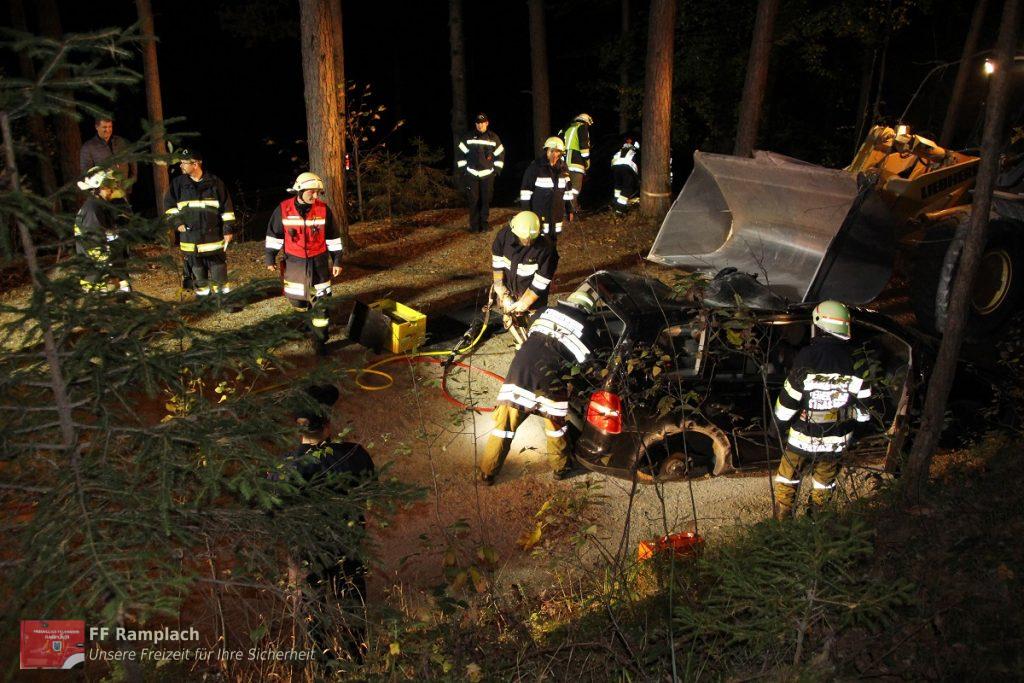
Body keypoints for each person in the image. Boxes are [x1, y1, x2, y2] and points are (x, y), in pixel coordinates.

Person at [277, 385, 375, 660]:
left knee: (310, 607)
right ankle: (357, 658)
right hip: (347, 543)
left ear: (299, 428)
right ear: (328, 423)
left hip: (306, 550)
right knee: (351, 600)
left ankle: (321, 663)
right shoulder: (354, 455)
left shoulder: (285, 468)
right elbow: (369, 494)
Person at [479, 282, 603, 484]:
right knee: (556, 427)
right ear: (587, 311)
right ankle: (560, 469)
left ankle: (488, 473)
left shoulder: (545, 312)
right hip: (551, 381)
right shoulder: (588, 330)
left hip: (521, 372)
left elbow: (533, 333)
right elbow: (587, 365)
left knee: (504, 426)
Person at [771, 300, 872, 519]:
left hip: (801, 437)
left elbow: (789, 399)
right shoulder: (856, 359)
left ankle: (782, 520)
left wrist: (777, 427)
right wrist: (859, 431)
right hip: (837, 438)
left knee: (788, 476)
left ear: (819, 325)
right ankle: (817, 520)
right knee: (824, 482)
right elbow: (864, 407)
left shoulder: (807, 356)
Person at [265, 172, 343, 354]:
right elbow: (274, 235)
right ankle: (303, 331)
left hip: (319, 263)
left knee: (322, 304)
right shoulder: (283, 209)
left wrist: (337, 260)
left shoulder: (324, 210)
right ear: (299, 191)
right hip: (295, 264)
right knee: (297, 302)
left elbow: (333, 238)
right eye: (312, 192)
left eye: (318, 193)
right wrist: (270, 257)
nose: (315, 197)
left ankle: (320, 341)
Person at [163, 149, 236, 297]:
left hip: (213, 240)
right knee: (198, 275)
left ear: (195, 164)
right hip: (191, 241)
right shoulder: (178, 184)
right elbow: (169, 207)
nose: (181, 166)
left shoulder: (215, 183)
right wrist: (177, 223)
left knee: (219, 272)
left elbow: (227, 208)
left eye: (184, 163)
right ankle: (203, 303)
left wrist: (228, 229)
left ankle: (224, 301)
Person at [491, 211, 558, 345]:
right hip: (510, 290)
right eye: (524, 238)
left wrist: (524, 303)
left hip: (533, 299)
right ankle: (519, 344)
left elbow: (541, 282)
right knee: (514, 327)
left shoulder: (546, 249)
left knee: (533, 330)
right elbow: (497, 266)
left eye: (531, 238)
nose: (527, 241)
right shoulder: (503, 237)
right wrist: (502, 291)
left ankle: (532, 348)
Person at [74, 168, 131, 294]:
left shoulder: (101, 207)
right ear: (100, 186)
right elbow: (95, 246)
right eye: (111, 184)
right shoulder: (93, 209)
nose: (114, 187)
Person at [456, 113, 505, 233]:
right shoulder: (468, 137)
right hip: (471, 175)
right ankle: (474, 227)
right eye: (478, 123)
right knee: (473, 201)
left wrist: (497, 170)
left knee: (486, 200)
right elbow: (460, 154)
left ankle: (484, 224)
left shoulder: (493, 137)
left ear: (487, 123)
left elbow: (500, 154)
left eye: (482, 123)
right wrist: (463, 170)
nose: (480, 125)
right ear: (475, 124)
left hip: (487, 176)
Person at [519, 137, 573, 244]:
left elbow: (567, 191)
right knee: (539, 242)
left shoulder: (563, 168)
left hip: (557, 214)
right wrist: (527, 213)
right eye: (552, 151)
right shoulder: (536, 167)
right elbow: (525, 192)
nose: (554, 154)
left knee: (553, 242)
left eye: (558, 152)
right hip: (540, 214)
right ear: (546, 150)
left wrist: (569, 209)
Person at [79, 116, 137, 203]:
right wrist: (99, 192)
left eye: (110, 127)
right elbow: (87, 173)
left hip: (123, 192)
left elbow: (132, 162)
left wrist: (131, 181)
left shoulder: (121, 142)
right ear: (96, 127)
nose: (108, 130)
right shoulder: (88, 147)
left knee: (126, 215)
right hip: (105, 196)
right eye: (104, 127)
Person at [561, 113, 593, 214]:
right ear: (586, 121)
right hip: (576, 163)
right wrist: (587, 161)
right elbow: (584, 146)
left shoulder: (567, 128)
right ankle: (571, 211)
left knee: (566, 188)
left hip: (564, 163)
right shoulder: (582, 127)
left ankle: (566, 210)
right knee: (575, 188)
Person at [611, 135, 640, 214]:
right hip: (626, 168)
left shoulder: (621, 149)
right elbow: (636, 166)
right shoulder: (635, 150)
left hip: (615, 167)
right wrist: (638, 179)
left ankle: (615, 205)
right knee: (627, 188)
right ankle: (619, 211)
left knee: (618, 187)